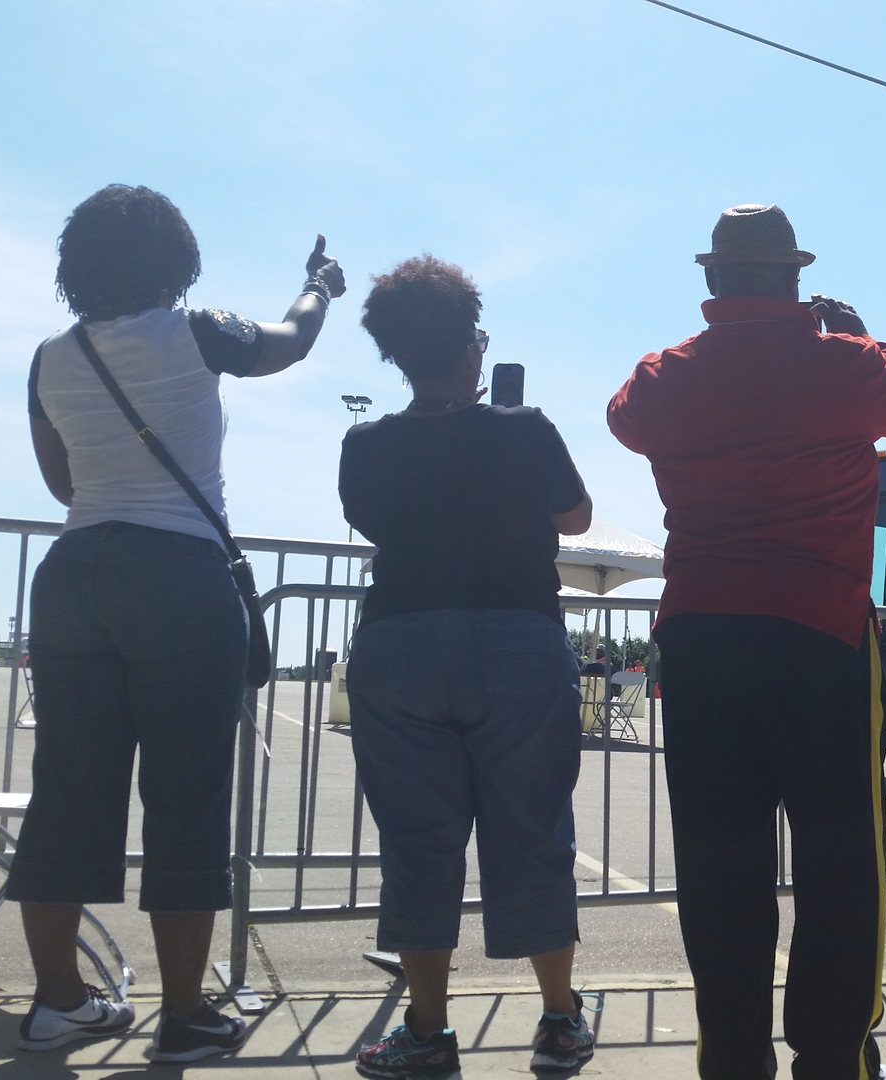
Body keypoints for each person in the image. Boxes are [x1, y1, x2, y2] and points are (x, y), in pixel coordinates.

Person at [607, 204, 886, 1080]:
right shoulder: (844, 365)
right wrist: (865, 337)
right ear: (795, 279)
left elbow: (623, 417)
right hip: (819, 637)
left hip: (701, 640)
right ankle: (833, 1060)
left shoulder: (663, 376)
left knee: (720, 863)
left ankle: (732, 1057)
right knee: (840, 859)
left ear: (713, 280)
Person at [9, 184, 344, 1060]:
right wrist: (320, 285)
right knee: (186, 794)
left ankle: (59, 1002)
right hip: (179, 576)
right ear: (176, 261)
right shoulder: (199, 333)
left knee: (69, 789)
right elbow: (294, 340)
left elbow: (62, 485)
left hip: (76, 572)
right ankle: (185, 1013)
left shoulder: (51, 356)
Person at [340, 256, 597, 1078]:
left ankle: (427, 1033)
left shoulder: (366, 445)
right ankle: (558, 1019)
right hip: (517, 639)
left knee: (417, 843)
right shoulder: (525, 430)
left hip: (401, 642)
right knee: (532, 832)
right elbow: (577, 514)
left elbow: (371, 518)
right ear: (469, 346)